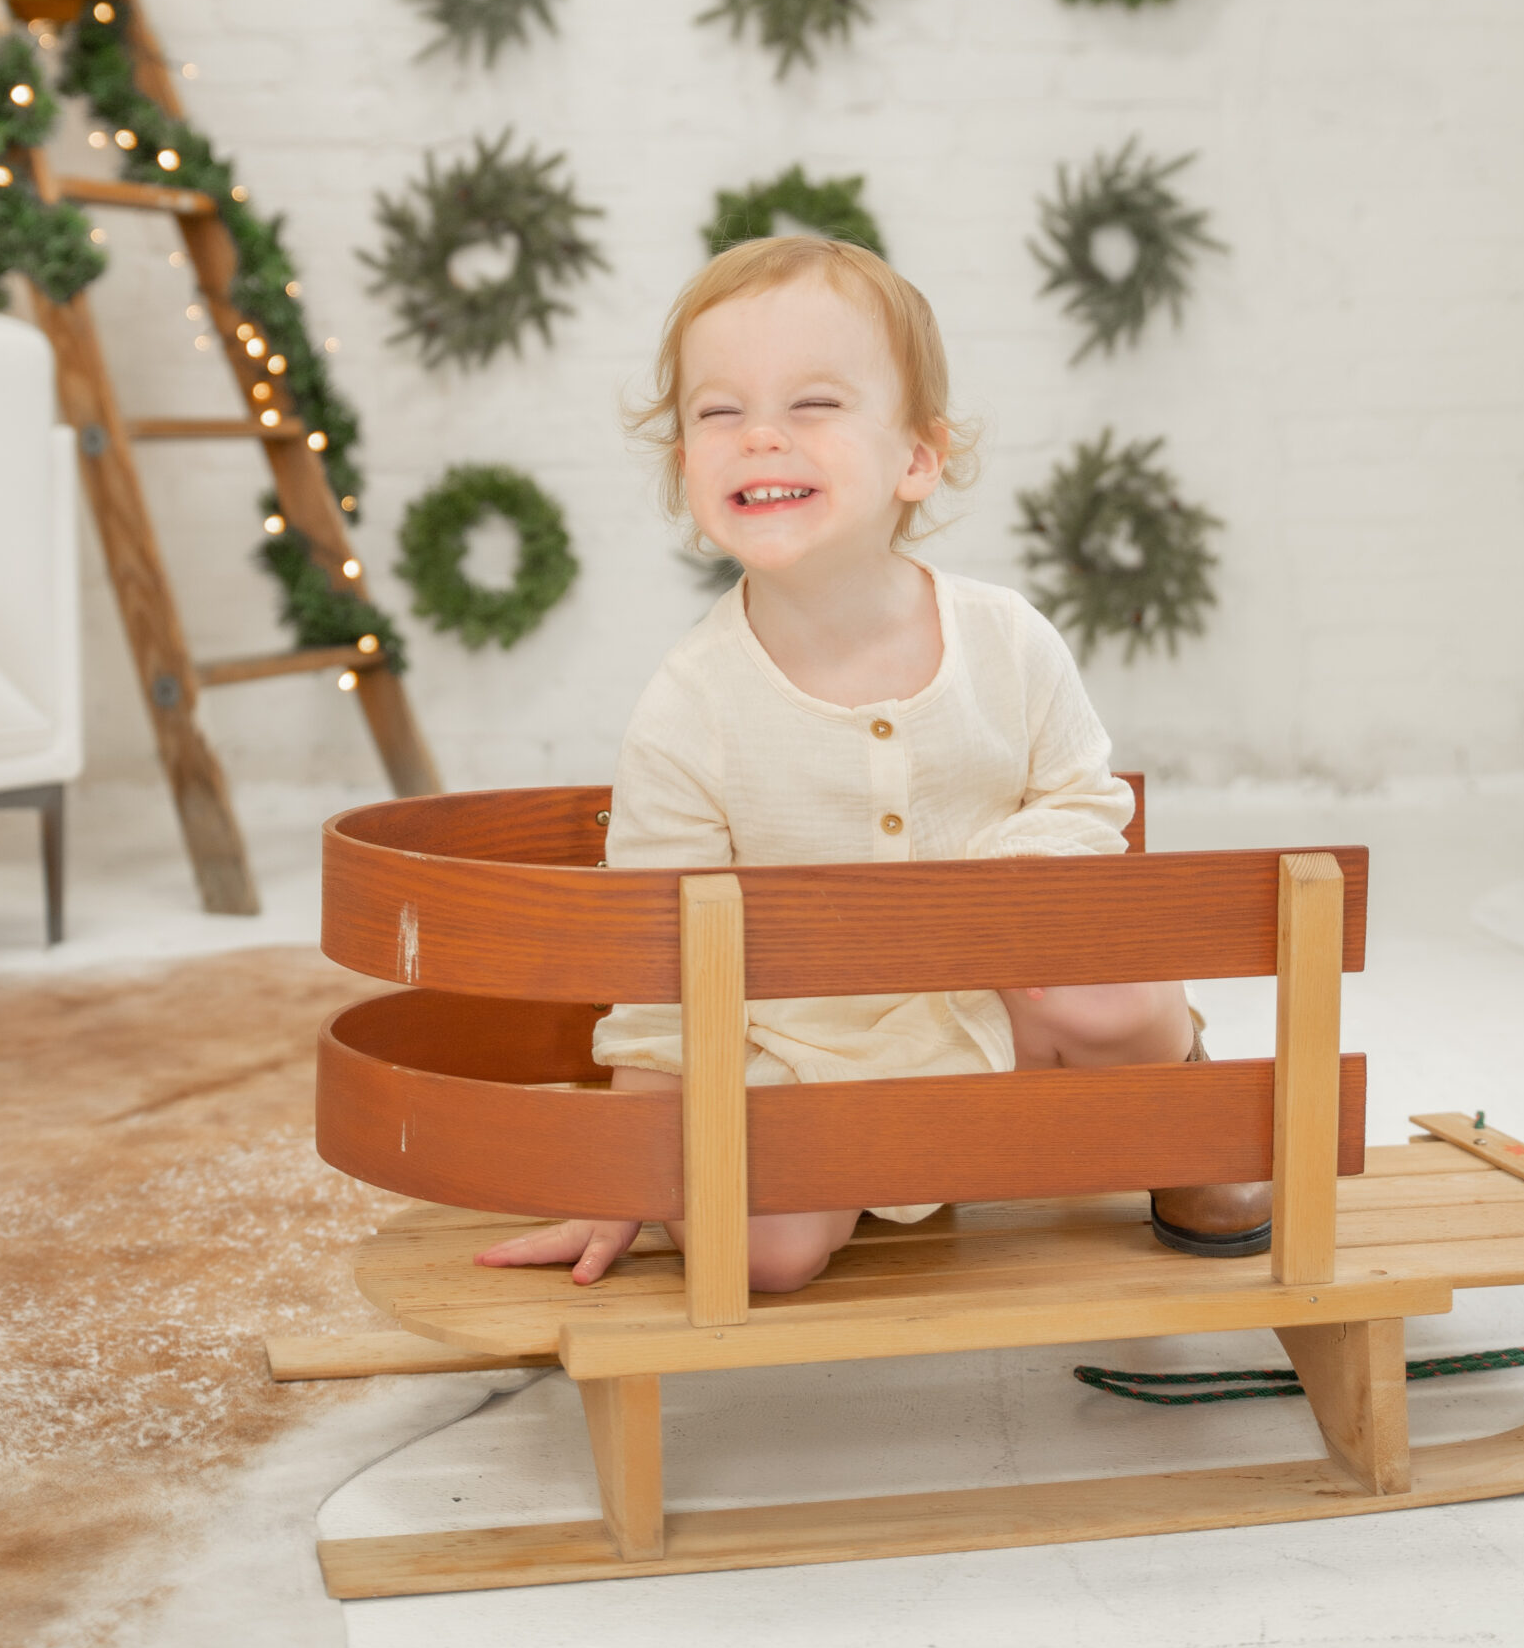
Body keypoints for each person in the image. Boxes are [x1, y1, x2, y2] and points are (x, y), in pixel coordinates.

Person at [475, 236, 1269, 1294]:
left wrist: (1002, 894)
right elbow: (656, 958)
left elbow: (1081, 799)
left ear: (916, 458)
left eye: (812, 403)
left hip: (1004, 998)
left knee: (1105, 990)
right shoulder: (688, 705)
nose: (759, 434)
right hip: (816, 1050)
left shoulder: (1007, 639)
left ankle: (1179, 1116)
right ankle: (856, 1168)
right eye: (717, 413)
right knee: (760, 1256)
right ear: (684, 469)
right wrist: (632, 1164)